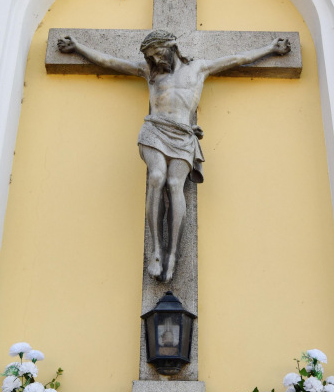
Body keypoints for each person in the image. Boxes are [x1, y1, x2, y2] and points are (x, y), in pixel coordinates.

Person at [57, 29, 291, 282]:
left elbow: (237, 59)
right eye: (151, 57)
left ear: (172, 47)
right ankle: (156, 250)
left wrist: (270, 49)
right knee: (156, 176)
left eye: (158, 53)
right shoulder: (150, 72)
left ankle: (173, 254)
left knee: (175, 183)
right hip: (154, 130)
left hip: (182, 136)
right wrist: (78, 47)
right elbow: (111, 61)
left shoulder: (199, 68)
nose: (155, 60)